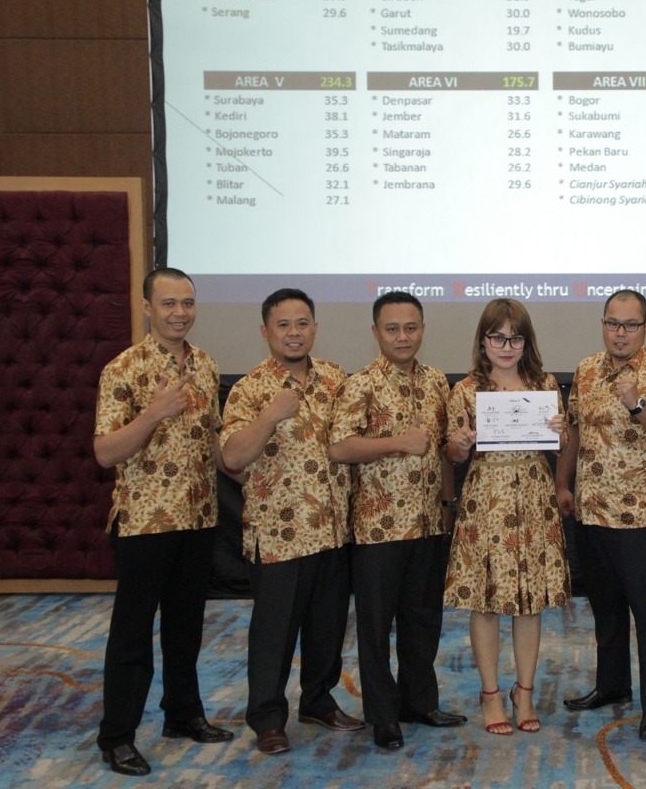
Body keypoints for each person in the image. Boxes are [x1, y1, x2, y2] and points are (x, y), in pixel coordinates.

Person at [93, 268, 233, 776]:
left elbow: (213, 442)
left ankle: (183, 714)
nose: (179, 313)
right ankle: (117, 737)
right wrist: (153, 413)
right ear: (147, 307)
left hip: (198, 517)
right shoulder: (123, 369)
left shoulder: (206, 364)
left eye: (187, 303)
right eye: (169, 303)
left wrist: (242, 463)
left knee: (185, 626)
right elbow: (105, 452)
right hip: (144, 525)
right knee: (132, 636)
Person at [221, 288, 362, 755]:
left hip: (332, 529)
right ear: (265, 332)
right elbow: (233, 457)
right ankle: (267, 718)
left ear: (315, 329)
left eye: (302, 323)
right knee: (274, 634)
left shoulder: (335, 379)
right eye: (283, 325)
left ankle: (318, 702)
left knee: (328, 628)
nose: (294, 333)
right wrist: (270, 415)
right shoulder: (249, 389)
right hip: (279, 536)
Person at [327, 291, 467, 751]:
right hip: (379, 527)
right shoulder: (361, 384)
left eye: (410, 327)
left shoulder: (436, 381)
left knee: (423, 620)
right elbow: (339, 447)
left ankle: (419, 702)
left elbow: (445, 449)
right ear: (376, 332)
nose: (402, 337)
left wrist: (447, 502)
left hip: (427, 524)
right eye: (392, 329)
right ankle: (383, 716)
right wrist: (397, 443)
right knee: (375, 627)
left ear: (422, 329)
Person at [555, 289, 646, 741]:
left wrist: (638, 405)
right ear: (603, 324)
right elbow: (575, 431)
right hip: (592, 512)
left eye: (630, 325)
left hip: (642, 519)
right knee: (606, 611)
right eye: (613, 323)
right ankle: (611, 685)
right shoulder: (587, 370)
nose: (620, 332)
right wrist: (562, 484)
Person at [442, 299, 570, 736]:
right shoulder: (465, 390)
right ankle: (491, 694)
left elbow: (560, 445)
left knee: (530, 600)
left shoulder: (544, 384)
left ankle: (525, 692)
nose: (506, 346)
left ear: (526, 343)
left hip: (533, 496)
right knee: (487, 600)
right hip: (486, 499)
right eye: (498, 337)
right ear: (483, 341)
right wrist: (460, 445)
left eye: (516, 338)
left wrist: (560, 433)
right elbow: (453, 454)